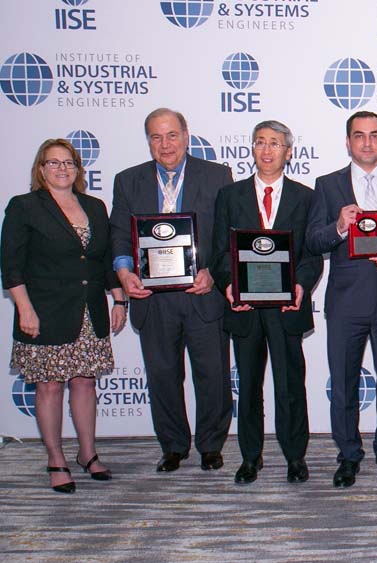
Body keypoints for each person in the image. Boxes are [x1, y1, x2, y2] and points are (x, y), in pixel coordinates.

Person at [110, 108, 234, 473]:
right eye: (156, 137)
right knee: (163, 374)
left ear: (186, 135)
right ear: (148, 140)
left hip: (202, 293)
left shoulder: (217, 176)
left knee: (212, 374)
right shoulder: (127, 180)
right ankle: (174, 446)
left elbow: (226, 232)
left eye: (171, 135)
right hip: (152, 298)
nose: (165, 145)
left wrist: (214, 272)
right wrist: (123, 272)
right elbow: (119, 231)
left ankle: (211, 445)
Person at [2, 139, 127, 493]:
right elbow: (11, 265)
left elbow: (101, 261)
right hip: (44, 311)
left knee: (86, 383)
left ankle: (87, 454)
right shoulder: (25, 207)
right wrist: (24, 308)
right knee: (50, 386)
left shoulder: (94, 206)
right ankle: (55, 459)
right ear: (40, 169)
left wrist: (119, 299)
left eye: (68, 163)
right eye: (52, 163)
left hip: (89, 311)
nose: (61, 169)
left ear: (78, 169)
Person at [306, 111, 377, 488]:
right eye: (359, 136)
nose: (367, 142)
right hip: (346, 302)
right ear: (348, 142)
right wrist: (338, 226)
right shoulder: (327, 184)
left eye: (374, 135)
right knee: (345, 384)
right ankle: (348, 454)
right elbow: (313, 241)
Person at [210, 120, 321, 485]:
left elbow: (311, 254)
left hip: (288, 306)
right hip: (244, 307)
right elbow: (220, 253)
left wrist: (302, 285)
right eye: (260, 142)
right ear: (252, 149)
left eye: (275, 143)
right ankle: (250, 457)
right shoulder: (229, 195)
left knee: (290, 385)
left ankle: (294, 457)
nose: (267, 150)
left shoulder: (306, 197)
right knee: (250, 385)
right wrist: (228, 284)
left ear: (288, 152)